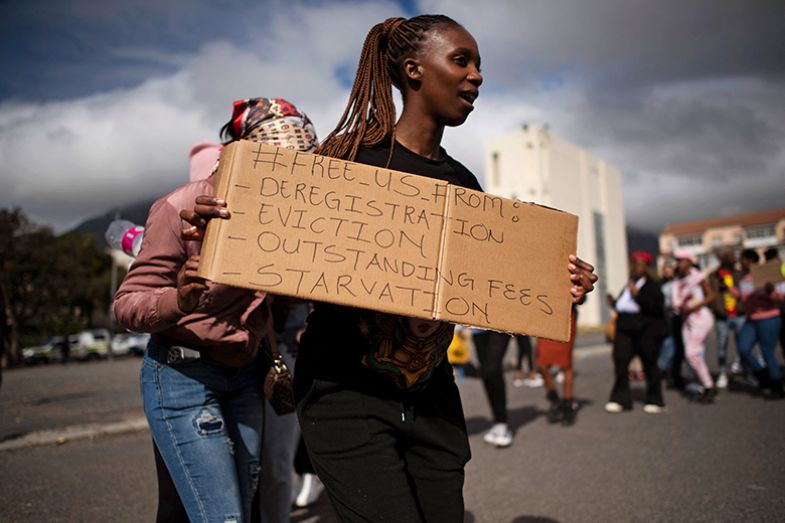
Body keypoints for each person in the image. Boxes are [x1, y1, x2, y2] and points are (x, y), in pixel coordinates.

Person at [182, 15, 597, 521]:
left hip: (432, 400)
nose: (477, 76)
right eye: (461, 60)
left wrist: (554, 287)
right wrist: (224, 223)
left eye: (480, 64)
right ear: (413, 69)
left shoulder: (464, 187)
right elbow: (278, 254)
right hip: (345, 398)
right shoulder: (347, 161)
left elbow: (485, 297)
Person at [114, 97, 318, 523]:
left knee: (241, 509)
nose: (289, 181)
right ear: (242, 156)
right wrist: (179, 299)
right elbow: (126, 305)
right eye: (279, 165)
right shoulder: (180, 208)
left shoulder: (282, 219)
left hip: (244, 378)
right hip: (183, 375)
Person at [605, 251, 668, 413]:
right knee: (620, 362)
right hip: (625, 328)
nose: (636, 267)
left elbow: (655, 307)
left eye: (640, 264)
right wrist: (613, 302)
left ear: (646, 267)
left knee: (649, 364)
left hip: (645, 330)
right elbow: (622, 305)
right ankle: (620, 398)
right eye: (634, 264)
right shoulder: (629, 284)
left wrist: (638, 295)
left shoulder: (652, 285)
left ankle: (655, 399)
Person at [737, 248, 784, 398]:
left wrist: (770, 291)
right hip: (751, 318)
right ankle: (763, 376)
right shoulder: (743, 278)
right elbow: (744, 297)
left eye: (742, 259)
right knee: (743, 348)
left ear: (749, 260)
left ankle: (776, 385)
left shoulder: (766, 274)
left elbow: (780, 297)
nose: (740, 262)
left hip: (768, 317)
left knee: (767, 352)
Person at [672, 249, 717, 403]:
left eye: (682, 260)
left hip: (700, 317)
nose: (679, 264)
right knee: (692, 353)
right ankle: (699, 384)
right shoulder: (677, 281)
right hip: (687, 320)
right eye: (678, 261)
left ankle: (708, 385)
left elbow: (711, 296)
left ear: (690, 262)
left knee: (692, 353)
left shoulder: (698, 277)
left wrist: (693, 306)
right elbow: (675, 303)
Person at [707, 249, 746, 389]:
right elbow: (710, 294)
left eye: (733, 256)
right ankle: (723, 372)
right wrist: (714, 309)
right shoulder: (714, 276)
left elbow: (746, 291)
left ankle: (746, 371)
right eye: (728, 256)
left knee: (744, 346)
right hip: (722, 316)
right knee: (721, 346)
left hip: (739, 314)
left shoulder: (740, 274)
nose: (732, 258)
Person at [537, 304, 580, 425]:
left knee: (565, 363)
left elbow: (583, 294)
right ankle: (554, 399)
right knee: (541, 363)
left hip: (566, 314)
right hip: (544, 313)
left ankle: (568, 404)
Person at [473, 329, 515, 447]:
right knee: (485, 373)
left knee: (493, 369)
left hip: (501, 323)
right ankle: (497, 421)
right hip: (477, 327)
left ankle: (502, 422)